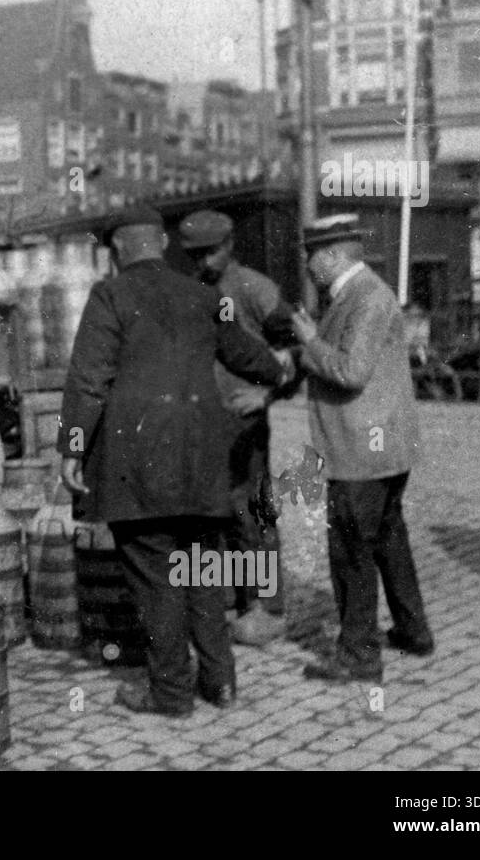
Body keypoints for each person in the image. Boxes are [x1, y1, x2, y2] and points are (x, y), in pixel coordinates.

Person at [58, 207, 291, 717]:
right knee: (202, 567)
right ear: (163, 242)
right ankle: (221, 682)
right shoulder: (209, 297)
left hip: (137, 459)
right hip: (204, 457)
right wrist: (277, 373)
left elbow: (88, 380)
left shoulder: (109, 296)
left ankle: (170, 691)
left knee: (154, 575)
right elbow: (251, 356)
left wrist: (73, 446)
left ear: (117, 250)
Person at [290, 214, 433, 684]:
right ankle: (413, 631)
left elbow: (352, 372)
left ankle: (358, 656)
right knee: (389, 539)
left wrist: (310, 342)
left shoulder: (368, 297)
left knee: (351, 550)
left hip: (362, 453)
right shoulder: (358, 295)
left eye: (312, 256)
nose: (308, 267)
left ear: (332, 255)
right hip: (384, 448)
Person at [179, 209, 297, 646]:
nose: (204, 262)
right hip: (209, 423)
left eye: (211, 252)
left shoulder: (254, 286)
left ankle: (269, 609)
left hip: (246, 424)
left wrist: (270, 393)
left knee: (256, 514)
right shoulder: (196, 290)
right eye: (195, 255)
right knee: (224, 515)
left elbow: (297, 347)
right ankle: (240, 601)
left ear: (229, 246)